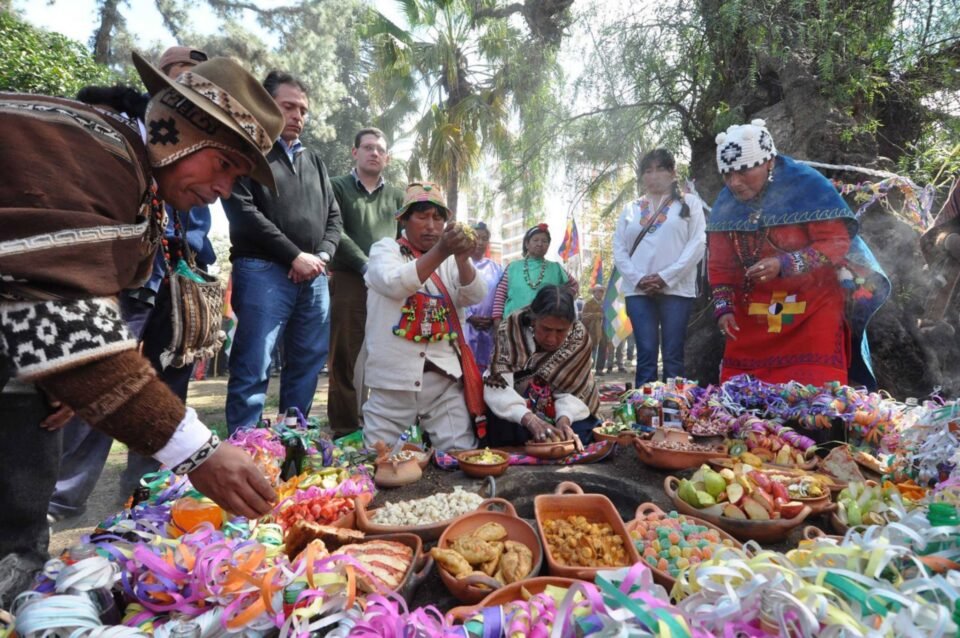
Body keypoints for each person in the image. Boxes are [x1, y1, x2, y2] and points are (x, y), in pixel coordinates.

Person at [0, 52, 282, 607]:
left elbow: (57, 310)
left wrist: (63, 373)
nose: (224, 189)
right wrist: (199, 452)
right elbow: (62, 324)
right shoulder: (91, 150)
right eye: (224, 164)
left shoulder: (129, 172)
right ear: (177, 129)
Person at [49, 47, 217, 522]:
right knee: (97, 375)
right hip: (120, 275)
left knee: (168, 381)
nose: (192, 99)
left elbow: (197, 222)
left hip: (175, 280)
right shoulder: (116, 139)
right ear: (158, 88)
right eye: (182, 85)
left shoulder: (193, 161)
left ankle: (150, 492)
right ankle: (63, 494)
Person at [707, 119, 889, 387]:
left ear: (769, 162)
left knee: (815, 400)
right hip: (754, 312)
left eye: (743, 171)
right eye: (727, 174)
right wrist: (724, 308)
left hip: (813, 307)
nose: (734, 183)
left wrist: (785, 263)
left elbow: (836, 242)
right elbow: (720, 265)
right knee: (743, 402)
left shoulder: (806, 185)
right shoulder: (726, 203)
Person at [224, 71, 342, 434]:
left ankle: (293, 443)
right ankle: (247, 450)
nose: (298, 116)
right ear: (264, 104)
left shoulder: (315, 161)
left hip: (314, 276)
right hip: (262, 271)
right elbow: (242, 211)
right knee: (254, 363)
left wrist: (319, 257)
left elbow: (334, 217)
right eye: (288, 106)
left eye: (303, 110)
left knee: (308, 361)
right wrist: (293, 256)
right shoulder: (247, 150)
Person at [360, 182, 486, 451]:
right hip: (392, 384)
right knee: (377, 459)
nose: (431, 225)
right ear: (404, 220)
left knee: (460, 454)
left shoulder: (452, 261)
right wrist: (441, 250)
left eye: (438, 218)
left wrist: (463, 260)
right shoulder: (385, 250)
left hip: (443, 382)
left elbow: (475, 295)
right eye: (422, 216)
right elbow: (394, 283)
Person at [327, 128, 405, 437]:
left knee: (389, 354)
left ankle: (384, 427)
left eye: (380, 149)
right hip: (349, 279)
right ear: (354, 152)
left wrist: (391, 273)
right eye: (368, 147)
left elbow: (404, 238)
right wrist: (366, 265)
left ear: (387, 158)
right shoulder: (337, 187)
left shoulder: (398, 196)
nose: (374, 153)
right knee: (345, 357)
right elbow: (336, 230)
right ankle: (346, 428)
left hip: (389, 285)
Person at [612, 149, 706, 386]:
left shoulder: (689, 202)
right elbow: (619, 250)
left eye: (660, 169)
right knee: (645, 355)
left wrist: (665, 277)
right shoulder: (630, 209)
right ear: (642, 177)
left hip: (676, 289)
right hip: (638, 291)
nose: (653, 176)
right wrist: (639, 279)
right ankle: (643, 415)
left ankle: (673, 413)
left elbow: (698, 243)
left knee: (673, 354)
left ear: (673, 173)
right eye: (648, 171)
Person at [484, 285, 600, 447]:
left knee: (580, 432)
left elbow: (573, 390)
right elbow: (497, 384)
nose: (552, 339)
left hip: (562, 407)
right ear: (533, 319)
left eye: (561, 331)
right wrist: (529, 419)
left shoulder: (578, 338)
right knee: (504, 428)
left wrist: (564, 419)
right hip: (520, 406)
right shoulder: (511, 328)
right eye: (546, 329)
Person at [492, 223, 576, 325]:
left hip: (545, 326)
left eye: (544, 241)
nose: (540, 244)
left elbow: (574, 286)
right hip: (512, 325)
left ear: (548, 246)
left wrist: (560, 302)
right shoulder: (512, 267)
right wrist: (497, 321)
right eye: (535, 240)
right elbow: (500, 295)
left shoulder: (556, 268)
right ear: (527, 244)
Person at [463, 222, 503, 372]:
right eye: (476, 237)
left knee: (488, 368)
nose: (480, 242)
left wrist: (494, 318)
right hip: (467, 325)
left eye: (484, 238)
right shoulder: (459, 264)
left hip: (489, 327)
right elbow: (453, 291)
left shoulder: (496, 268)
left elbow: (502, 295)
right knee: (467, 367)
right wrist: (469, 316)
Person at [580, 283, 606, 373]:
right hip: (591, 330)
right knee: (589, 350)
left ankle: (599, 369)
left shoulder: (606, 304)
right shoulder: (588, 303)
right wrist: (596, 315)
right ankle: (586, 369)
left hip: (603, 330)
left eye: (601, 291)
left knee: (603, 349)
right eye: (597, 291)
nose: (599, 293)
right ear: (594, 293)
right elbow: (584, 317)